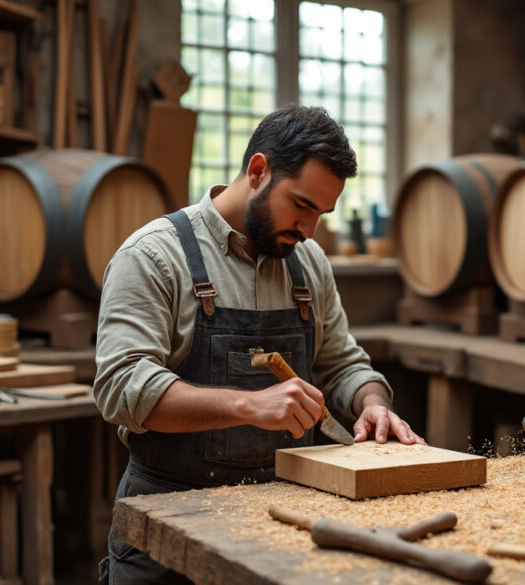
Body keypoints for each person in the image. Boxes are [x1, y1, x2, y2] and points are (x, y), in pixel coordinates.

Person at [93, 105, 424, 584]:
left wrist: (372, 404)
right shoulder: (153, 256)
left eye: (321, 213)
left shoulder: (309, 263)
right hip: (170, 517)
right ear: (257, 171)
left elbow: (343, 365)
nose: (309, 230)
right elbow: (123, 390)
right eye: (302, 205)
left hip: (285, 516)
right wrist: (248, 405)